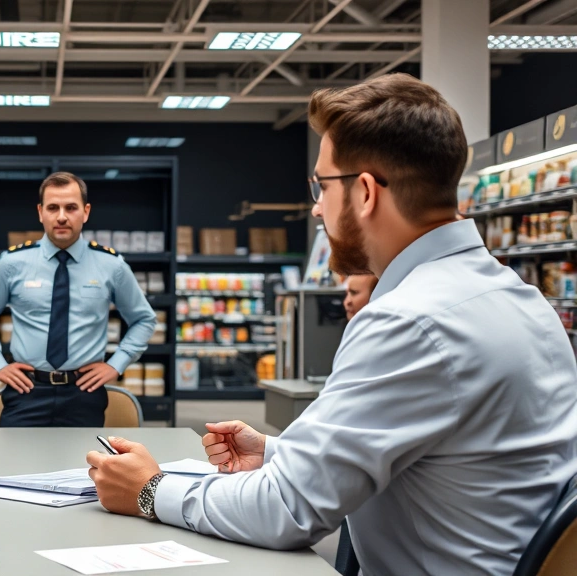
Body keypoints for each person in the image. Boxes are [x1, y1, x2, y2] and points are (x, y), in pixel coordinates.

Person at [87, 73, 577, 575]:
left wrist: (150, 490)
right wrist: (281, 453)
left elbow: (286, 513)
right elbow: (447, 457)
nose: (317, 207)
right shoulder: (522, 299)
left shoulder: (407, 321)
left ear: (365, 192)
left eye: (322, 186)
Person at [0, 172, 156, 426]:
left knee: (83, 465)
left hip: (84, 392)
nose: (61, 216)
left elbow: (144, 319)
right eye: (53, 208)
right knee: (15, 464)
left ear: (86, 211)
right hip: (26, 390)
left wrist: (116, 364)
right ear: (40, 212)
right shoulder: (12, 263)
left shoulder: (111, 265)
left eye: (71, 207)